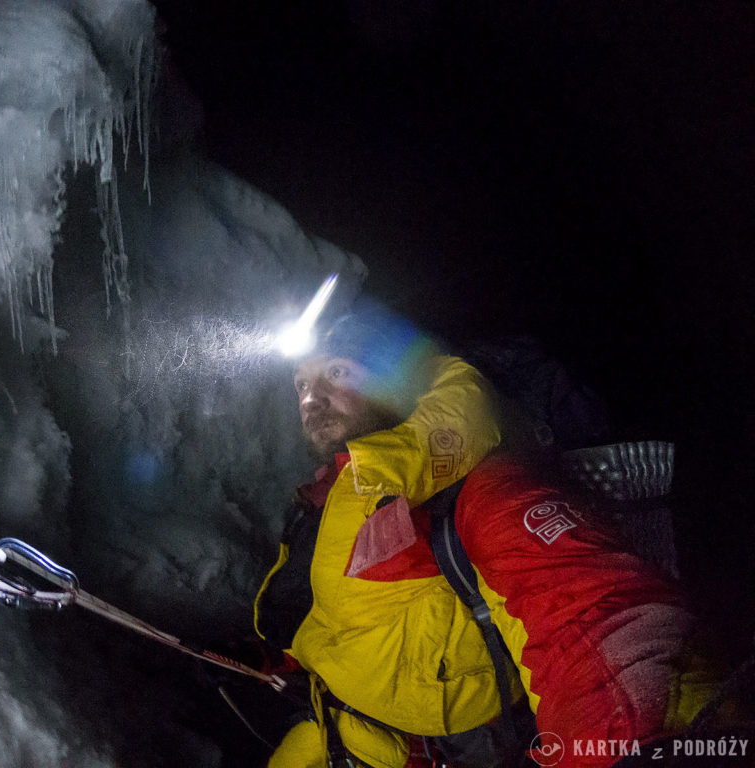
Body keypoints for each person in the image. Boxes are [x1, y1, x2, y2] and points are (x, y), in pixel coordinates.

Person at [250, 304, 736, 768]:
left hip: (424, 748)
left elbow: (589, 615)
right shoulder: (334, 489)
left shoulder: (476, 483)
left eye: (336, 373)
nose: (311, 397)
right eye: (300, 384)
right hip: (334, 719)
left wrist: (645, 742)